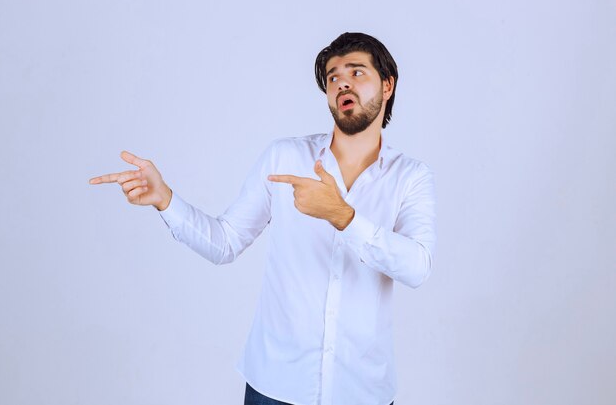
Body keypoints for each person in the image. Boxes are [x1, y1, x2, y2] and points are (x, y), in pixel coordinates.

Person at [90, 32, 436, 405]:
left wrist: (344, 217)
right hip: (276, 386)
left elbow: (416, 267)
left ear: (388, 85)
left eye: (356, 72)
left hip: (363, 391)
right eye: (333, 77)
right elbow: (224, 242)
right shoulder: (284, 158)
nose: (342, 83)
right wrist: (166, 200)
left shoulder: (411, 177)